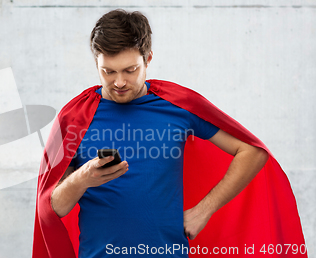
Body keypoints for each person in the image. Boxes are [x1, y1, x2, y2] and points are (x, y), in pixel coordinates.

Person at [33, 9, 306, 258]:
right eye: (108, 71)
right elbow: (51, 208)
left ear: (148, 58)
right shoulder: (73, 118)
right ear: (96, 63)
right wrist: (82, 178)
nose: (119, 82)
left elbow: (251, 151)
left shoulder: (178, 105)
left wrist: (204, 209)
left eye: (130, 70)